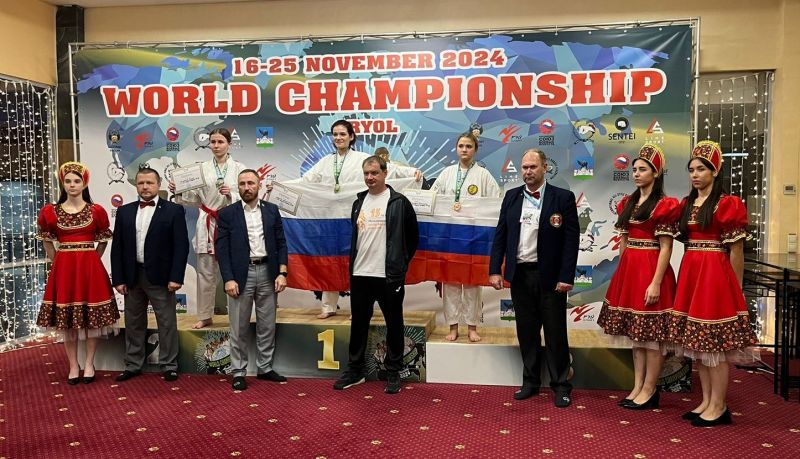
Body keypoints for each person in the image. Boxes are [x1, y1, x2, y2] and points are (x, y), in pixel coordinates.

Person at [669, 140, 759, 427]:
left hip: (715, 276)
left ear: (715, 171)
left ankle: (719, 405)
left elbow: (736, 251)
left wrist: (735, 289)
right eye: (692, 169)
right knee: (699, 344)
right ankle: (707, 400)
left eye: (701, 169)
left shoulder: (727, 204)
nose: (695, 174)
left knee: (715, 347)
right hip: (692, 272)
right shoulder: (687, 204)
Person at [303, 120, 420, 319]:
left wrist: (411, 172)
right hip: (331, 218)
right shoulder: (325, 162)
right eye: (335, 134)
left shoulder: (361, 158)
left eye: (342, 134)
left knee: (357, 260)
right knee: (331, 260)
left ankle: (356, 308)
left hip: (358, 215)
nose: (338, 138)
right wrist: (280, 187)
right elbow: (305, 181)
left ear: (351, 137)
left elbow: (388, 168)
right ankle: (328, 306)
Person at [489, 148, 579, 407]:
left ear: (545, 168)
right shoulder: (511, 196)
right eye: (524, 167)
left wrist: (566, 275)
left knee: (555, 333)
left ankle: (561, 385)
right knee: (526, 332)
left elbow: (571, 241)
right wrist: (495, 269)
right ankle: (530, 382)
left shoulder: (563, 198)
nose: (528, 172)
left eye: (533, 167)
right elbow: (500, 235)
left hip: (550, 277)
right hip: (520, 275)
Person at [596, 144, 680, 410]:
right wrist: (623, 273)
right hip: (631, 271)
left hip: (651, 269)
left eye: (642, 169)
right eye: (634, 169)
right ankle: (638, 385)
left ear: (656, 173)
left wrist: (656, 282)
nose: (636, 174)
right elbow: (623, 241)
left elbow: (666, 247)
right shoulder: (628, 203)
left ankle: (650, 388)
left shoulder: (665, 205)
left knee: (652, 337)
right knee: (637, 336)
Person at [333, 155, 419, 394]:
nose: (370, 177)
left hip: (388, 276)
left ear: (385, 173)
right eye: (366, 174)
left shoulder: (399, 202)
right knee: (359, 323)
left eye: (374, 173)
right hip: (360, 273)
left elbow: (412, 238)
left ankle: (393, 371)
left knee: (394, 323)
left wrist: (400, 264)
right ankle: (355, 370)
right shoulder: (358, 202)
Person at [35, 162, 120, 385]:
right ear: (62, 183)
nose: (72, 185)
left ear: (84, 184)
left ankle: (89, 363)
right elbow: (47, 241)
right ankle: (73, 365)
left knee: (92, 319)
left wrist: (92, 259)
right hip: (64, 268)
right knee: (67, 321)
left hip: (90, 268)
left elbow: (103, 240)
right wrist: (59, 262)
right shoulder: (50, 212)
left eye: (76, 181)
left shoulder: (97, 211)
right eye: (68, 181)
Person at [111, 167, 190, 382]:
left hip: (162, 277)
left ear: (158, 185)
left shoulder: (174, 210)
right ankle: (133, 364)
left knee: (167, 322)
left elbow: (181, 246)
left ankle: (169, 365)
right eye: (141, 183)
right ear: (136, 185)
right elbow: (117, 247)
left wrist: (176, 277)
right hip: (132, 275)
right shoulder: (124, 211)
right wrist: (118, 278)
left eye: (149, 183)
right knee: (133, 322)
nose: (145, 187)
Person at [215, 169, 289, 391]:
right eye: (242, 184)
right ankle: (239, 371)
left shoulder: (272, 210)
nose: (247, 187)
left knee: (267, 325)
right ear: (238, 187)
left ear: (259, 185)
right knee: (239, 326)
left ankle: (265, 368)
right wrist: (228, 279)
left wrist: (282, 272)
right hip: (240, 275)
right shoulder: (227, 213)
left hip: (268, 272)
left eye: (251, 183)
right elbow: (222, 250)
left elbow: (281, 242)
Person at [171, 127, 247, 329]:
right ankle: (205, 315)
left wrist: (232, 194)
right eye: (213, 142)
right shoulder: (201, 169)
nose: (216, 145)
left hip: (231, 223)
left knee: (235, 271)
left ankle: (237, 315)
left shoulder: (239, 168)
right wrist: (179, 191)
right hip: (207, 221)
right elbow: (194, 199)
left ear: (229, 144)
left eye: (220, 142)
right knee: (205, 272)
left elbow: (249, 195)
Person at [431, 132, 501, 342]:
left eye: (469, 146)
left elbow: (495, 201)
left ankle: (472, 327)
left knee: (472, 285)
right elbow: (432, 197)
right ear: (456, 148)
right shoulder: (446, 173)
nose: (464, 149)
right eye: (461, 146)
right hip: (449, 238)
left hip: (474, 238)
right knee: (450, 284)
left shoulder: (483, 175)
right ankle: (453, 327)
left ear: (475, 150)